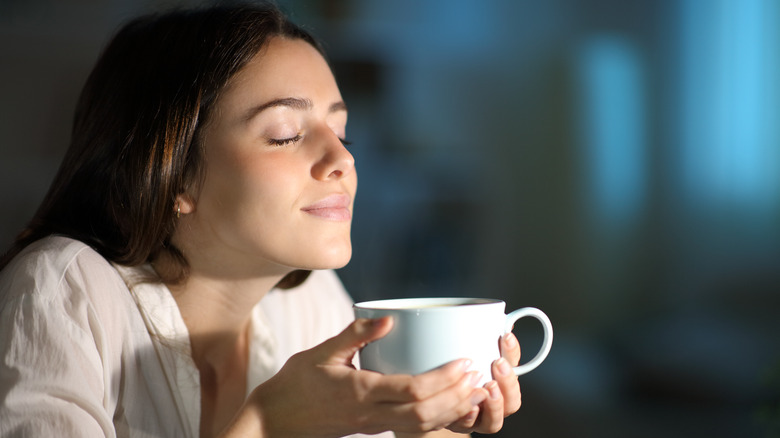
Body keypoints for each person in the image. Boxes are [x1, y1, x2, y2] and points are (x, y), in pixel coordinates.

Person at [0, 3, 522, 437]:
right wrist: (267, 424)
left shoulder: (310, 300)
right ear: (175, 176)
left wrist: (434, 421)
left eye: (343, 133)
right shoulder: (61, 289)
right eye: (285, 134)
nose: (343, 160)